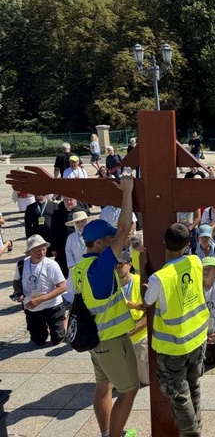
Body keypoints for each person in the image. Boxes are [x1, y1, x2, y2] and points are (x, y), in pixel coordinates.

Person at [71, 175, 138, 437]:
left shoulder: (81, 267)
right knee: (130, 390)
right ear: (99, 244)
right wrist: (127, 191)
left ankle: (107, 432)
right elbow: (124, 230)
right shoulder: (99, 268)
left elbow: (121, 233)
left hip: (95, 341)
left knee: (103, 387)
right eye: (108, 241)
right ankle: (114, 436)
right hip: (110, 340)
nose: (114, 243)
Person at [143, 222, 210, 437]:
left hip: (173, 345)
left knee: (180, 394)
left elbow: (148, 300)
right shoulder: (195, 261)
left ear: (164, 242)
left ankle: (191, 434)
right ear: (187, 243)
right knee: (194, 384)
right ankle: (196, 424)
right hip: (198, 336)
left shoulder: (159, 277)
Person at [12, 235, 66, 345]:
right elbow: (16, 282)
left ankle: (65, 321)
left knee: (57, 339)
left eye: (43, 249)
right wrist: (18, 293)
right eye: (37, 251)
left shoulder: (51, 265)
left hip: (52, 306)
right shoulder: (22, 264)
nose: (41, 253)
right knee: (38, 340)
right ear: (29, 251)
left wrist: (40, 299)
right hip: (32, 308)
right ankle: (42, 329)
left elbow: (62, 287)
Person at [116, 249, 149, 386]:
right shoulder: (110, 284)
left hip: (140, 334)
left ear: (129, 264)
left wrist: (134, 330)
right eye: (114, 266)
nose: (116, 269)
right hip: (119, 337)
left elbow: (149, 312)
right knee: (124, 379)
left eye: (119, 265)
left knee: (145, 379)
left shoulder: (140, 282)